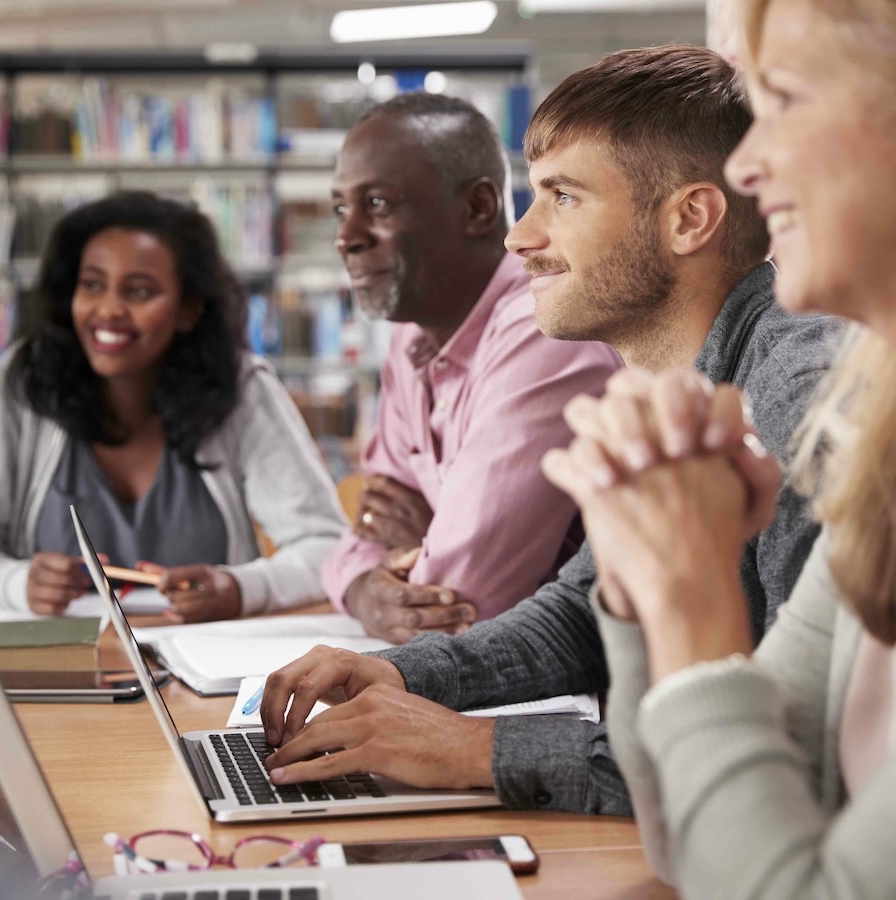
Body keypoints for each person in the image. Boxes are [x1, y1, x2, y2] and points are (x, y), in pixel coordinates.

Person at [257, 46, 838, 811]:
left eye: (562, 197)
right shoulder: (673, 389)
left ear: (689, 218)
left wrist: (476, 748)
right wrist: (404, 674)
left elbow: (802, 748)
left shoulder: (802, 401)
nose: (518, 237)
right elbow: (582, 613)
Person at [538, 0, 896, 895]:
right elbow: (695, 840)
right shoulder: (881, 448)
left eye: (785, 101)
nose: (747, 161)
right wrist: (638, 581)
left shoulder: (799, 379)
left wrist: (690, 605)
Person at [320, 92, 621, 644]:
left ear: (479, 208)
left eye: (379, 204)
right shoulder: (412, 335)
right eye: (341, 208)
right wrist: (365, 590)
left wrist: (426, 537)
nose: (347, 237)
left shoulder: (544, 330)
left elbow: (461, 602)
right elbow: (359, 535)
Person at [0, 190, 346, 621]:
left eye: (139, 291)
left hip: (202, 674)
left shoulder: (242, 389)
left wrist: (242, 588)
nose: (108, 309)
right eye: (91, 285)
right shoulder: (17, 385)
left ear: (189, 310)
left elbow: (328, 547)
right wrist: (16, 582)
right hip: (55, 673)